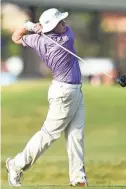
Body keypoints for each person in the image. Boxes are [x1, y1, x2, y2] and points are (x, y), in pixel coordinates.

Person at [6, 8, 88, 187]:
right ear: (53, 27)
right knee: (48, 135)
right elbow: (65, 30)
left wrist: (28, 26)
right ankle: (16, 165)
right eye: (60, 22)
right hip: (65, 93)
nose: (64, 24)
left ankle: (78, 178)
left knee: (76, 135)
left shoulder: (37, 40)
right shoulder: (67, 38)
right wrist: (38, 28)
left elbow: (16, 37)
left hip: (71, 90)